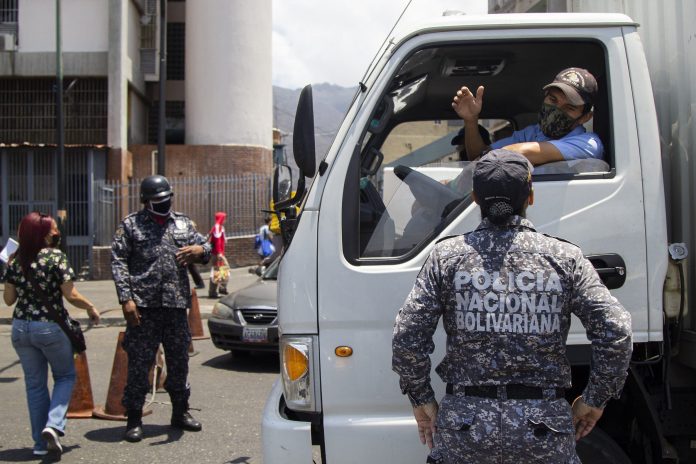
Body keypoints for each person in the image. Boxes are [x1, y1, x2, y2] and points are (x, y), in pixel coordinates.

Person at [392, 150, 632, 463]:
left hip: (466, 427)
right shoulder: (565, 259)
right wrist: (594, 399)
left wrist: (421, 397)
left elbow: (407, 335)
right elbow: (616, 331)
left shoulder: (446, 258)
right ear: (530, 197)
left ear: (475, 198)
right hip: (544, 429)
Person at [111, 175, 211, 443]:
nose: (164, 204)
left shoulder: (183, 223)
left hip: (176, 306)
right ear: (146, 201)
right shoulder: (131, 225)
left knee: (179, 362)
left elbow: (208, 247)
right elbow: (118, 261)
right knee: (139, 364)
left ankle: (180, 412)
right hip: (143, 308)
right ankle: (133, 418)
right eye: (158, 201)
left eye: (167, 199)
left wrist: (199, 250)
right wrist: (126, 299)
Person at [4, 212, 100, 457]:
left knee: (34, 387)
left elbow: (8, 300)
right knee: (66, 376)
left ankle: (39, 444)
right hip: (49, 327)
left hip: (20, 329)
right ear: (42, 234)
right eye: (52, 230)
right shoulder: (56, 257)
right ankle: (54, 425)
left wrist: (11, 274)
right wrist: (90, 307)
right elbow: (71, 295)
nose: (56, 233)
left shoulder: (16, 260)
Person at [452, 67, 603, 165]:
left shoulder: (588, 144)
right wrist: (471, 120)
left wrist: (482, 158)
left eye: (569, 108)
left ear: (585, 117)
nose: (556, 110)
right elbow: (479, 156)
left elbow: (521, 153)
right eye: (552, 100)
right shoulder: (532, 133)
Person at [208, 211, 229, 298]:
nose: (225, 220)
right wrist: (219, 253)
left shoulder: (219, 227)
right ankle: (214, 291)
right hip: (217, 253)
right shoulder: (217, 228)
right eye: (224, 218)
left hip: (218, 253)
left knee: (221, 270)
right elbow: (217, 241)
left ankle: (221, 288)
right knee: (218, 271)